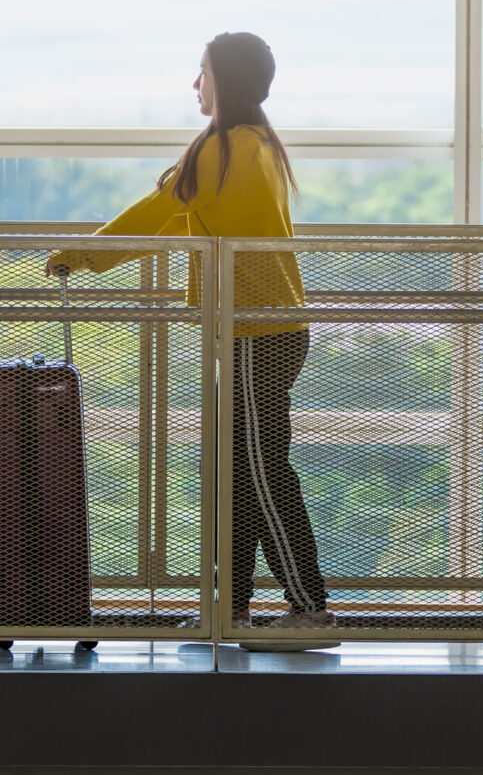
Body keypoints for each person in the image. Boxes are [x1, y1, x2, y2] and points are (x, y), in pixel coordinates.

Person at [46, 32, 334, 651]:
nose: (193, 83)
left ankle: (310, 607)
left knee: (259, 471)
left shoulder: (223, 150)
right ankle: (228, 608)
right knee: (238, 473)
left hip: (258, 332)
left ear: (223, 80)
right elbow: (177, 217)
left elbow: (156, 214)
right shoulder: (256, 144)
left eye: (201, 71)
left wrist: (80, 255)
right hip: (264, 330)